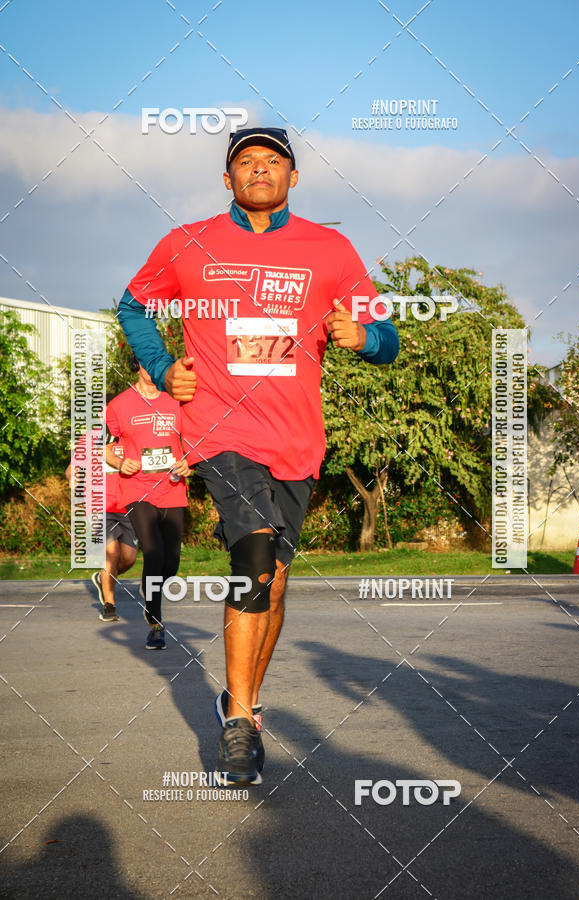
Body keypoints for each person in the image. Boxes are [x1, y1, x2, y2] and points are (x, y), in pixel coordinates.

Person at [117, 126, 399, 783]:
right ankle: (240, 724)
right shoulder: (189, 243)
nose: (260, 170)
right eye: (246, 162)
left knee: (273, 581)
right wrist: (161, 367)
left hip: (297, 442)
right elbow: (134, 305)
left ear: (293, 177)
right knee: (253, 555)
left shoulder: (331, 250)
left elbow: (389, 339)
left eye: (273, 161)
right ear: (228, 179)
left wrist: (362, 335)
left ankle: (239, 700)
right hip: (219, 430)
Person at [105, 355, 192, 649]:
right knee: (153, 553)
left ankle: (149, 585)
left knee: (172, 560)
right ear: (138, 367)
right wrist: (120, 463)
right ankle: (155, 621)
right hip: (137, 489)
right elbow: (106, 449)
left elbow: (191, 442)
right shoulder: (118, 405)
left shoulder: (177, 401)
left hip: (172, 489)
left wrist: (188, 462)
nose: (151, 370)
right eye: (146, 364)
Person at [66, 395, 138, 622]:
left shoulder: (129, 439)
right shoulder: (90, 439)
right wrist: (73, 477)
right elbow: (72, 468)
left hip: (126, 506)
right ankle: (109, 604)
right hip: (98, 506)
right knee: (111, 552)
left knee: (128, 558)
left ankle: (103, 578)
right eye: (100, 413)